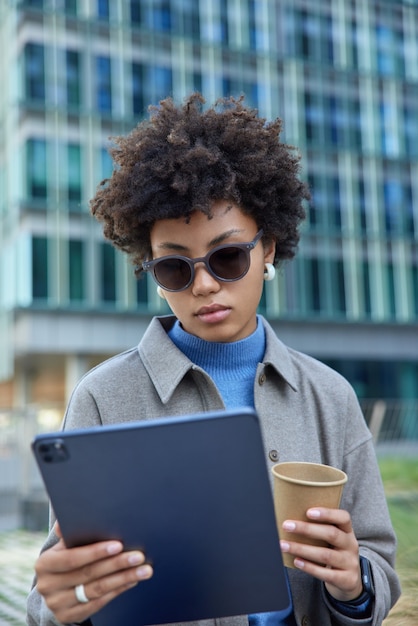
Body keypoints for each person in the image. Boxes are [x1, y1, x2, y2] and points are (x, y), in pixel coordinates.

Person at [27, 93, 401, 626]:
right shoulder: (101, 396)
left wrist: (354, 582)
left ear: (267, 248)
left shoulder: (331, 395)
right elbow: (55, 589)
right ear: (152, 272)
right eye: (175, 268)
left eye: (227, 256)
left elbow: (378, 565)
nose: (203, 284)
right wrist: (67, 605)